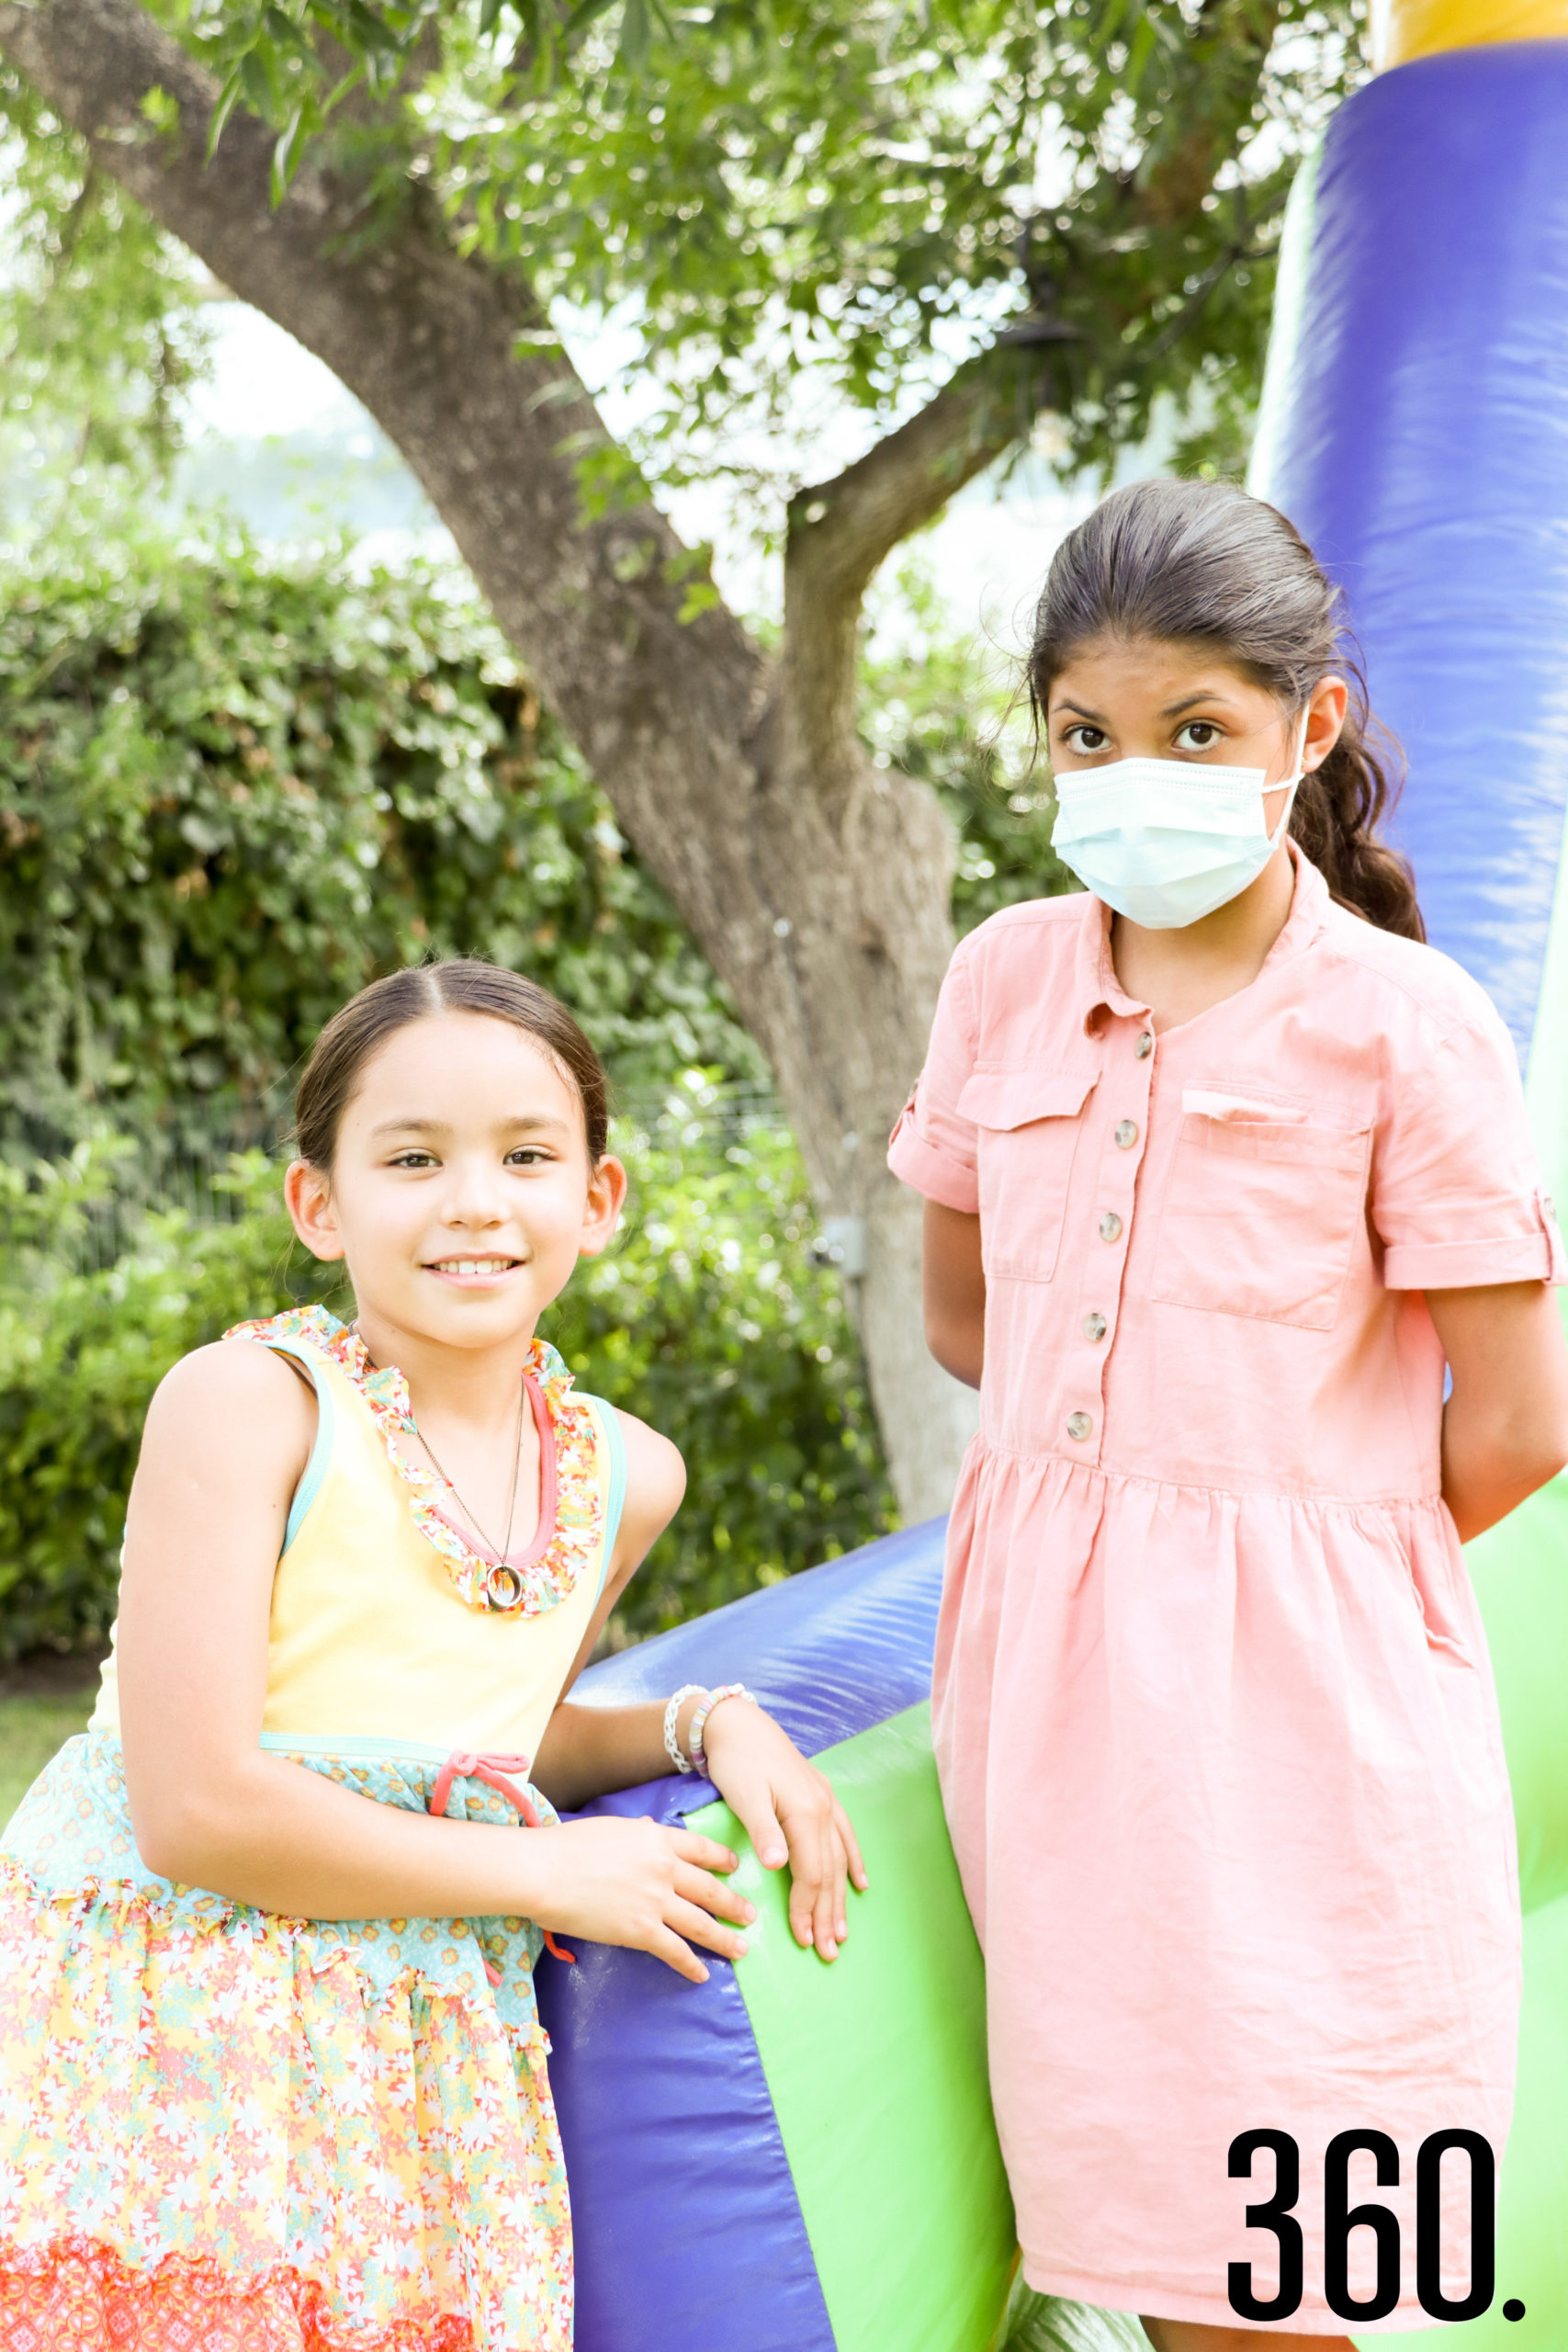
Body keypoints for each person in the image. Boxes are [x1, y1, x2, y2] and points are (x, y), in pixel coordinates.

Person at [887, 479, 1568, 2347]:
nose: (1133, 774)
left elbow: (1514, 1420)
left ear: (1306, 725)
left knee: (1285, 2282)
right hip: (1042, 1689)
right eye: (1084, 734)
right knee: (1128, 2234)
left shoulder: (1405, 1025)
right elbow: (973, 1321)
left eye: (1194, 730)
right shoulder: (998, 977)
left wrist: (1288, 1534)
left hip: (1306, 1715)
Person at [0, 957, 865, 2347]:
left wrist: (705, 1722)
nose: (474, 1201)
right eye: (412, 1158)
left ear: (598, 1197)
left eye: (527, 1155)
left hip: (422, 2060)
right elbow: (197, 1807)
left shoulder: (624, 1475)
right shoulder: (248, 1407)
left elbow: (482, 1748)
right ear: (318, 1205)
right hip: (177, 2037)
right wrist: (547, 1874)